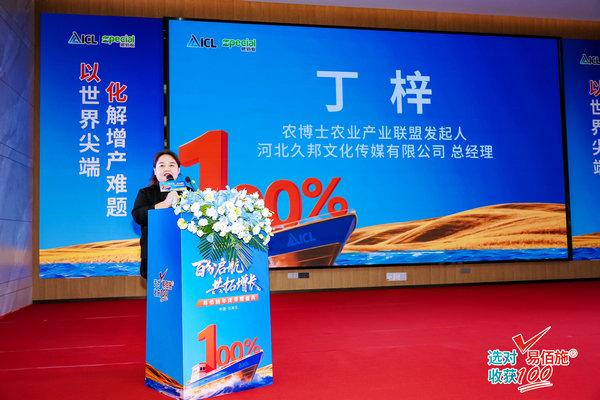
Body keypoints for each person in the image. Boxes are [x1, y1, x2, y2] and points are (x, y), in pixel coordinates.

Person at [132, 149, 181, 279]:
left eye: (172, 165)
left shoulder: (188, 192)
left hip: (182, 251)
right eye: (162, 165)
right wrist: (164, 204)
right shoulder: (145, 193)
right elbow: (138, 215)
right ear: (155, 171)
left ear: (178, 170)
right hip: (154, 252)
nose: (167, 168)